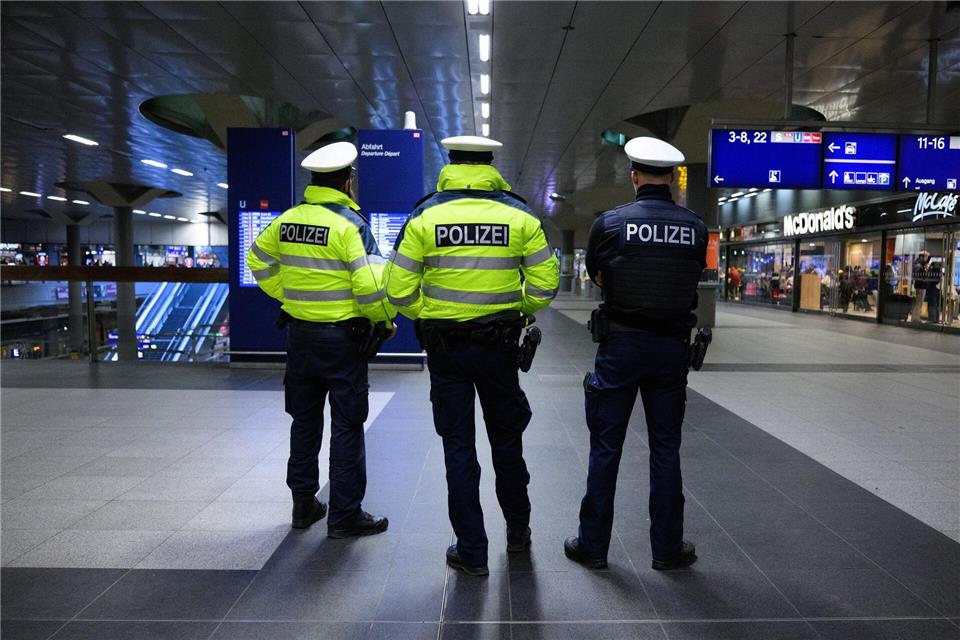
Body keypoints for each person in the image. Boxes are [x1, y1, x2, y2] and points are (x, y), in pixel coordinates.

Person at [385, 135, 560, 576]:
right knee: (507, 443)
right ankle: (518, 533)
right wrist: (517, 309)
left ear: (451, 163)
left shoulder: (425, 216)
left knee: (458, 449)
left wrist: (431, 314)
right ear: (490, 164)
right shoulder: (519, 215)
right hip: (500, 349)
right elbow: (545, 285)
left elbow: (398, 290)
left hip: (446, 352)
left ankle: (472, 551)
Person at [565, 137, 706, 571]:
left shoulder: (610, 224)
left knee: (606, 446)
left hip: (621, 346)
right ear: (673, 180)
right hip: (670, 350)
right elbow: (692, 272)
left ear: (634, 176)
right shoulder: (695, 227)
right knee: (666, 448)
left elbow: (597, 275)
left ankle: (593, 546)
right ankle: (666, 549)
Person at [246, 141, 394, 538]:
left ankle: (302, 506)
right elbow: (369, 286)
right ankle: (344, 515)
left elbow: (256, 259)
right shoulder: (351, 226)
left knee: (304, 421)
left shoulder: (287, 220)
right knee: (347, 424)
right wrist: (384, 320)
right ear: (348, 182)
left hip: (299, 336)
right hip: (344, 340)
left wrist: (289, 295)